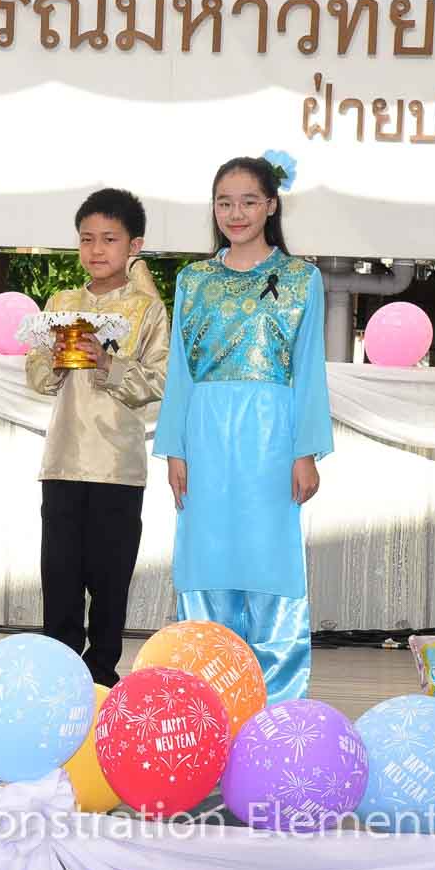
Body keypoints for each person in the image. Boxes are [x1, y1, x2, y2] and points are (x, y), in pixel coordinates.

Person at [152, 154, 332, 703]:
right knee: (206, 557)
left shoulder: (302, 279)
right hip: (204, 435)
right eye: (225, 202)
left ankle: (275, 703)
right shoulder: (193, 280)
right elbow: (180, 369)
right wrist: (175, 448)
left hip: (271, 438)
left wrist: (305, 450)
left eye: (249, 201)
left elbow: (309, 369)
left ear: (271, 206)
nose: (236, 213)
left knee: (268, 560)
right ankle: (208, 697)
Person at [25, 188, 169, 687]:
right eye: (87, 239)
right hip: (62, 461)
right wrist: (55, 362)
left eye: (109, 238)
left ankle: (102, 675)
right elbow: (37, 376)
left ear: (134, 245)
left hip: (118, 467)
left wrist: (108, 362)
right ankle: (60, 677)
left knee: (110, 580)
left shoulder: (148, 310)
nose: (96, 249)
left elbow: (160, 381)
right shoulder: (61, 303)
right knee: (59, 576)